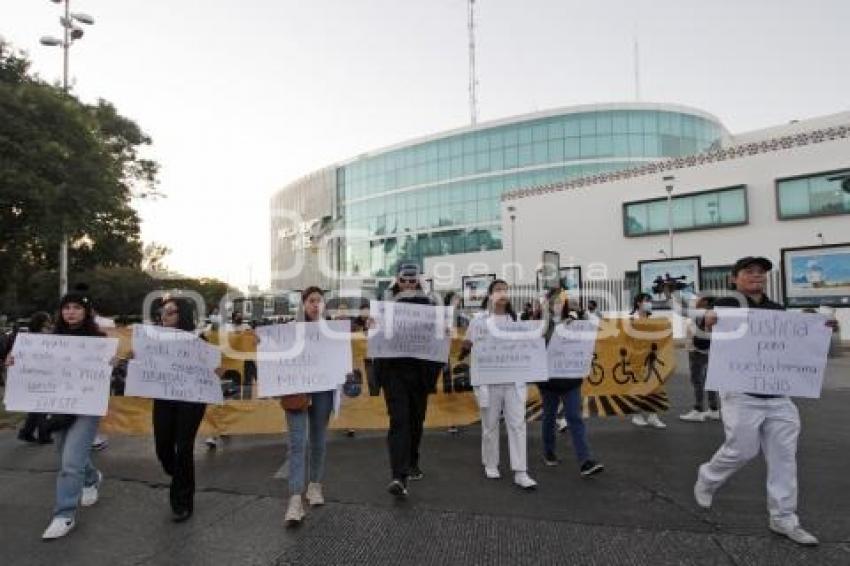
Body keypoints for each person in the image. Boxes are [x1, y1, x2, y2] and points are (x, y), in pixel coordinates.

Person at [694, 256, 833, 546]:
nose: (757, 276)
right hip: (741, 394)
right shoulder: (726, 306)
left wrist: (819, 330)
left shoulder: (777, 311)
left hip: (779, 396)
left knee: (784, 458)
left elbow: (794, 346)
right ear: (734, 279)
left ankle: (783, 517)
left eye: (762, 273)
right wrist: (705, 322)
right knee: (742, 450)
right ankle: (708, 476)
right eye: (749, 272)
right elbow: (701, 339)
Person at [5, 286, 109, 539]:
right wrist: (14, 361)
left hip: (85, 408)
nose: (71, 312)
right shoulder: (47, 340)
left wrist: (112, 363)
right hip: (58, 406)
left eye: (77, 308)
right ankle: (92, 478)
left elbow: (108, 372)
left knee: (70, 462)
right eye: (66, 308)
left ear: (86, 312)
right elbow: (30, 366)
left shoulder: (100, 341)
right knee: (66, 454)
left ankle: (64, 514)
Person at [140, 297, 223, 522]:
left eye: (170, 313)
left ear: (182, 314)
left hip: (191, 401)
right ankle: (178, 474)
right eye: (162, 313)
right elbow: (142, 360)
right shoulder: (154, 339)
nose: (164, 317)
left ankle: (183, 501)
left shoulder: (198, 339)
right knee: (163, 446)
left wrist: (216, 371)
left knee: (184, 447)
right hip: (165, 398)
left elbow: (215, 368)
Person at [460, 279, 537, 490]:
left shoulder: (518, 320)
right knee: (490, 425)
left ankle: (521, 471)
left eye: (505, 290)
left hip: (513, 381)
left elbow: (530, 345)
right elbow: (466, 346)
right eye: (497, 290)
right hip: (489, 382)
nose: (502, 293)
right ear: (490, 294)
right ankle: (491, 463)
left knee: (518, 424)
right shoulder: (478, 321)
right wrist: (465, 352)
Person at [372, 264, 441, 498]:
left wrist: (444, 331)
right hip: (394, 372)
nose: (409, 285)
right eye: (404, 280)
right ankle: (398, 476)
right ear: (397, 281)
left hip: (420, 372)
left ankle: (412, 461)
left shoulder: (430, 304)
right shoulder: (384, 304)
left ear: (418, 281)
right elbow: (375, 335)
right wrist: (372, 327)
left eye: (413, 281)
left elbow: (438, 336)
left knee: (416, 420)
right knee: (399, 421)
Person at [282, 287, 338, 525]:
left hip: (323, 390)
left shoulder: (333, 331)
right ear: (303, 304)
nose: (316, 305)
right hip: (297, 390)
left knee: (317, 439)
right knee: (297, 443)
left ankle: (314, 485)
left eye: (320, 301)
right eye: (311, 301)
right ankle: (295, 500)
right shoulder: (289, 331)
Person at [539, 296, 604, 477]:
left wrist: (582, 311)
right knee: (549, 417)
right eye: (555, 303)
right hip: (549, 381)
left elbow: (597, 324)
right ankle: (549, 451)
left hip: (571, 381)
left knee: (575, 418)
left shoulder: (577, 322)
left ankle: (585, 461)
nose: (559, 306)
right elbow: (542, 342)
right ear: (549, 307)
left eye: (562, 302)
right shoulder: (544, 325)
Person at [12, 312, 55, 444]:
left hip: (34, 375)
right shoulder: (44, 336)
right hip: (42, 374)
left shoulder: (28, 336)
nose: (50, 321)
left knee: (36, 406)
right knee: (42, 406)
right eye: (48, 319)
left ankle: (26, 432)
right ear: (42, 322)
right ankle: (43, 435)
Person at [629, 293, 666, 429]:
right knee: (638, 387)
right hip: (637, 359)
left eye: (650, 300)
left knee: (654, 387)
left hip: (652, 358)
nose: (649, 303)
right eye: (646, 300)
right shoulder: (632, 319)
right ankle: (637, 415)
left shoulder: (652, 320)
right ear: (638, 303)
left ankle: (653, 416)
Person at [680, 296, 720, 422]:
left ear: (705, 303)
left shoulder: (702, 314)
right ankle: (714, 409)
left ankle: (698, 409)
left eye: (699, 299)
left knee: (697, 380)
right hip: (709, 350)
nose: (696, 301)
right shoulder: (712, 313)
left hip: (696, 350)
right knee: (710, 380)